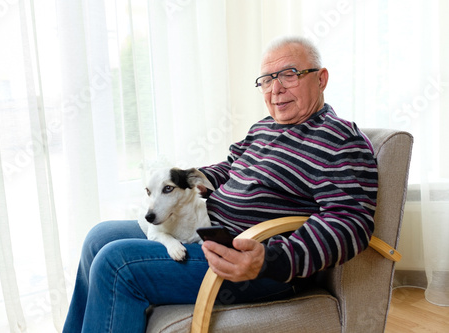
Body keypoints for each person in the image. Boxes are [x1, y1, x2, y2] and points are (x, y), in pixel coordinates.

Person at [62, 36, 378, 333]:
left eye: (289, 74)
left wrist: (270, 259)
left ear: (320, 78)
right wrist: (190, 181)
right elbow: (230, 167)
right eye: (266, 80)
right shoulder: (264, 128)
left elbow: (351, 221)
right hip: (207, 230)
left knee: (116, 264)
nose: (275, 89)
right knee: (98, 237)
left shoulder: (339, 138)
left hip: (252, 262)